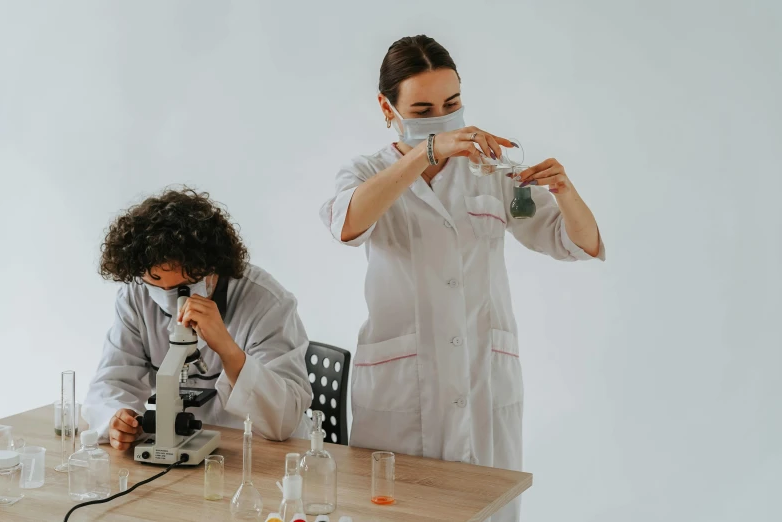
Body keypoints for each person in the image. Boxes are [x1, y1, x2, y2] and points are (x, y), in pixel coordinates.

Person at [320, 35, 605, 521]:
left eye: (452, 104)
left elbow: (575, 243)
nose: (443, 116)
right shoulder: (367, 171)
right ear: (387, 108)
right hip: (401, 390)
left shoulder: (489, 170)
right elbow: (346, 224)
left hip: (482, 382)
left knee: (482, 510)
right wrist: (427, 151)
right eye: (424, 108)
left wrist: (566, 190)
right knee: (394, 511)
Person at [84, 188, 312, 450]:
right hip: (183, 444)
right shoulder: (136, 295)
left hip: (256, 449)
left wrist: (227, 348)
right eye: (157, 285)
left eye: (186, 285)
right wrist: (117, 417)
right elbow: (112, 381)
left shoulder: (266, 301)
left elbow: (284, 420)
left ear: (214, 267)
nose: (171, 299)